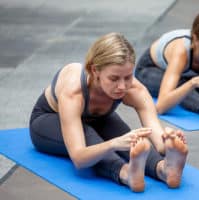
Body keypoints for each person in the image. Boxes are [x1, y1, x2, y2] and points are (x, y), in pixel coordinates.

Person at [29, 32, 188, 192]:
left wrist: (169, 142)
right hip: (47, 120)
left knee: (132, 140)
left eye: (128, 77)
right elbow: (79, 157)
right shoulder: (73, 92)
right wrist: (114, 144)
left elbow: (156, 136)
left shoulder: (135, 89)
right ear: (95, 71)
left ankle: (164, 169)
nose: (122, 86)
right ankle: (126, 173)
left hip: (97, 118)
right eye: (114, 79)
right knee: (94, 137)